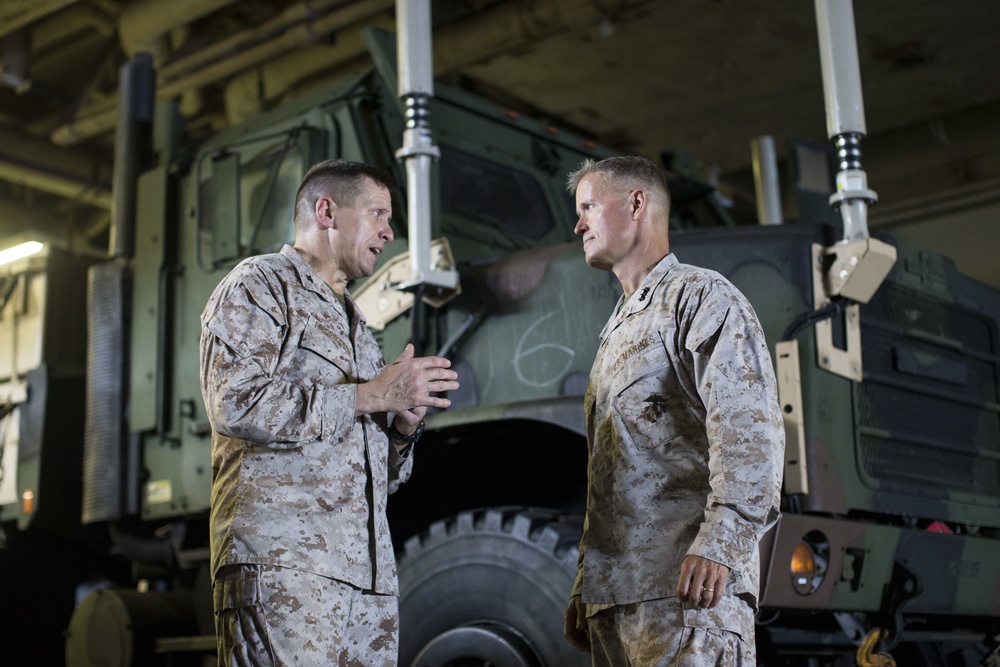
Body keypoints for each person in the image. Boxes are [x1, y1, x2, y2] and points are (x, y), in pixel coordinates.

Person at [199, 159, 459, 666]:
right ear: (327, 212)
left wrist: (403, 428)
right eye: (378, 213)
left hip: (365, 579)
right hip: (284, 566)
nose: (389, 231)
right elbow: (233, 402)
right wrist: (368, 396)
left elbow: (377, 474)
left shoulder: (356, 321)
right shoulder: (261, 285)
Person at [562, 155, 784, 665]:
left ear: (637, 204)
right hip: (617, 601)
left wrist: (720, 544)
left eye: (589, 207)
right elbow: (610, 475)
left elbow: (750, 435)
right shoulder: (617, 330)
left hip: (688, 593)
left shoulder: (702, 299)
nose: (578, 225)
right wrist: (585, 584)